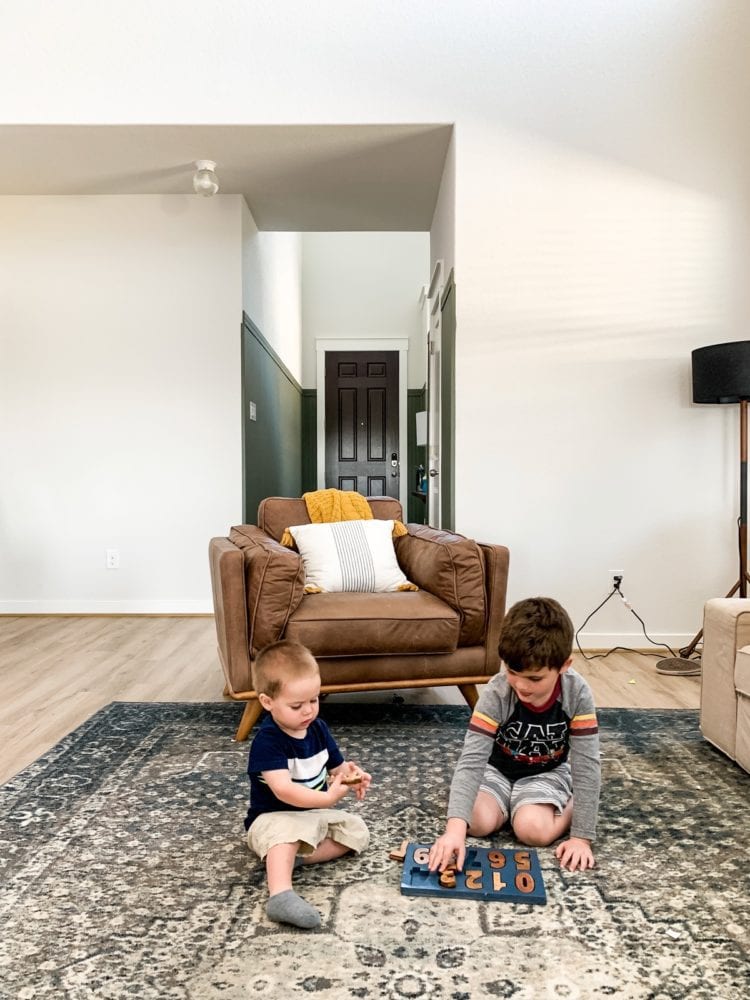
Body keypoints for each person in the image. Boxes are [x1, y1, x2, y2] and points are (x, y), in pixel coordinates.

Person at [428, 596, 600, 874]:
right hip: (495, 770)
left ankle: (571, 802)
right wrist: (454, 832)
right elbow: (472, 760)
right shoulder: (498, 692)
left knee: (532, 831)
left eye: (535, 679)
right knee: (475, 822)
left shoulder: (577, 693)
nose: (521, 686)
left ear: (564, 665)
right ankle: (510, 805)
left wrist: (581, 836)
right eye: (512, 672)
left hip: (546, 772)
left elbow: (587, 764)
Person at [244, 639, 371, 929]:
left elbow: (338, 767)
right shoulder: (268, 741)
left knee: (357, 831)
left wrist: (352, 776)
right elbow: (284, 790)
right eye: (297, 705)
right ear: (267, 702)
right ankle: (280, 894)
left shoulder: (318, 729)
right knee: (287, 831)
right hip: (272, 820)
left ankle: (291, 858)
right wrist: (328, 798)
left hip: (310, 816)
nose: (308, 712)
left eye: (314, 700)